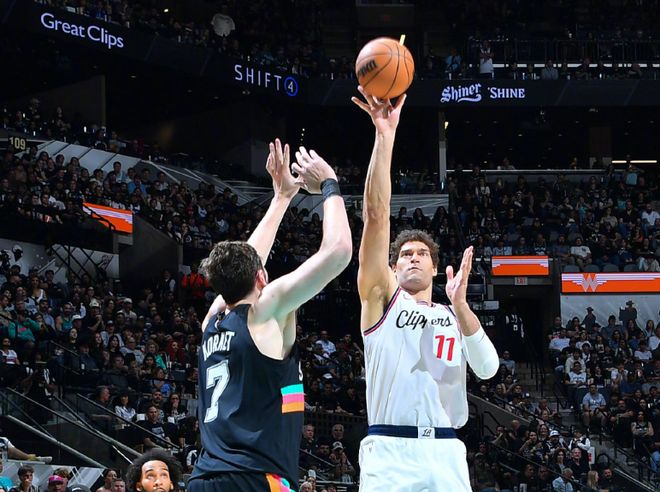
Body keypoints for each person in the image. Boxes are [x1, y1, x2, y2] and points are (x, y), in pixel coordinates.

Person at [351, 86, 499, 491]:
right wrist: (385, 135)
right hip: (389, 450)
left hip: (446, 453)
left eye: (421, 254)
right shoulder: (381, 300)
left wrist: (461, 306)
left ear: (435, 267)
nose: (413, 258)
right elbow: (376, 214)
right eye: (405, 255)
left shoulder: (454, 315)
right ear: (393, 267)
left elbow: (488, 369)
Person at [189, 139, 352, 492]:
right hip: (254, 478)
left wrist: (281, 199)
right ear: (262, 278)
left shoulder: (211, 322)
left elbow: (245, 262)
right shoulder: (264, 311)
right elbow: (338, 251)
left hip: (204, 478)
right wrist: (330, 184)